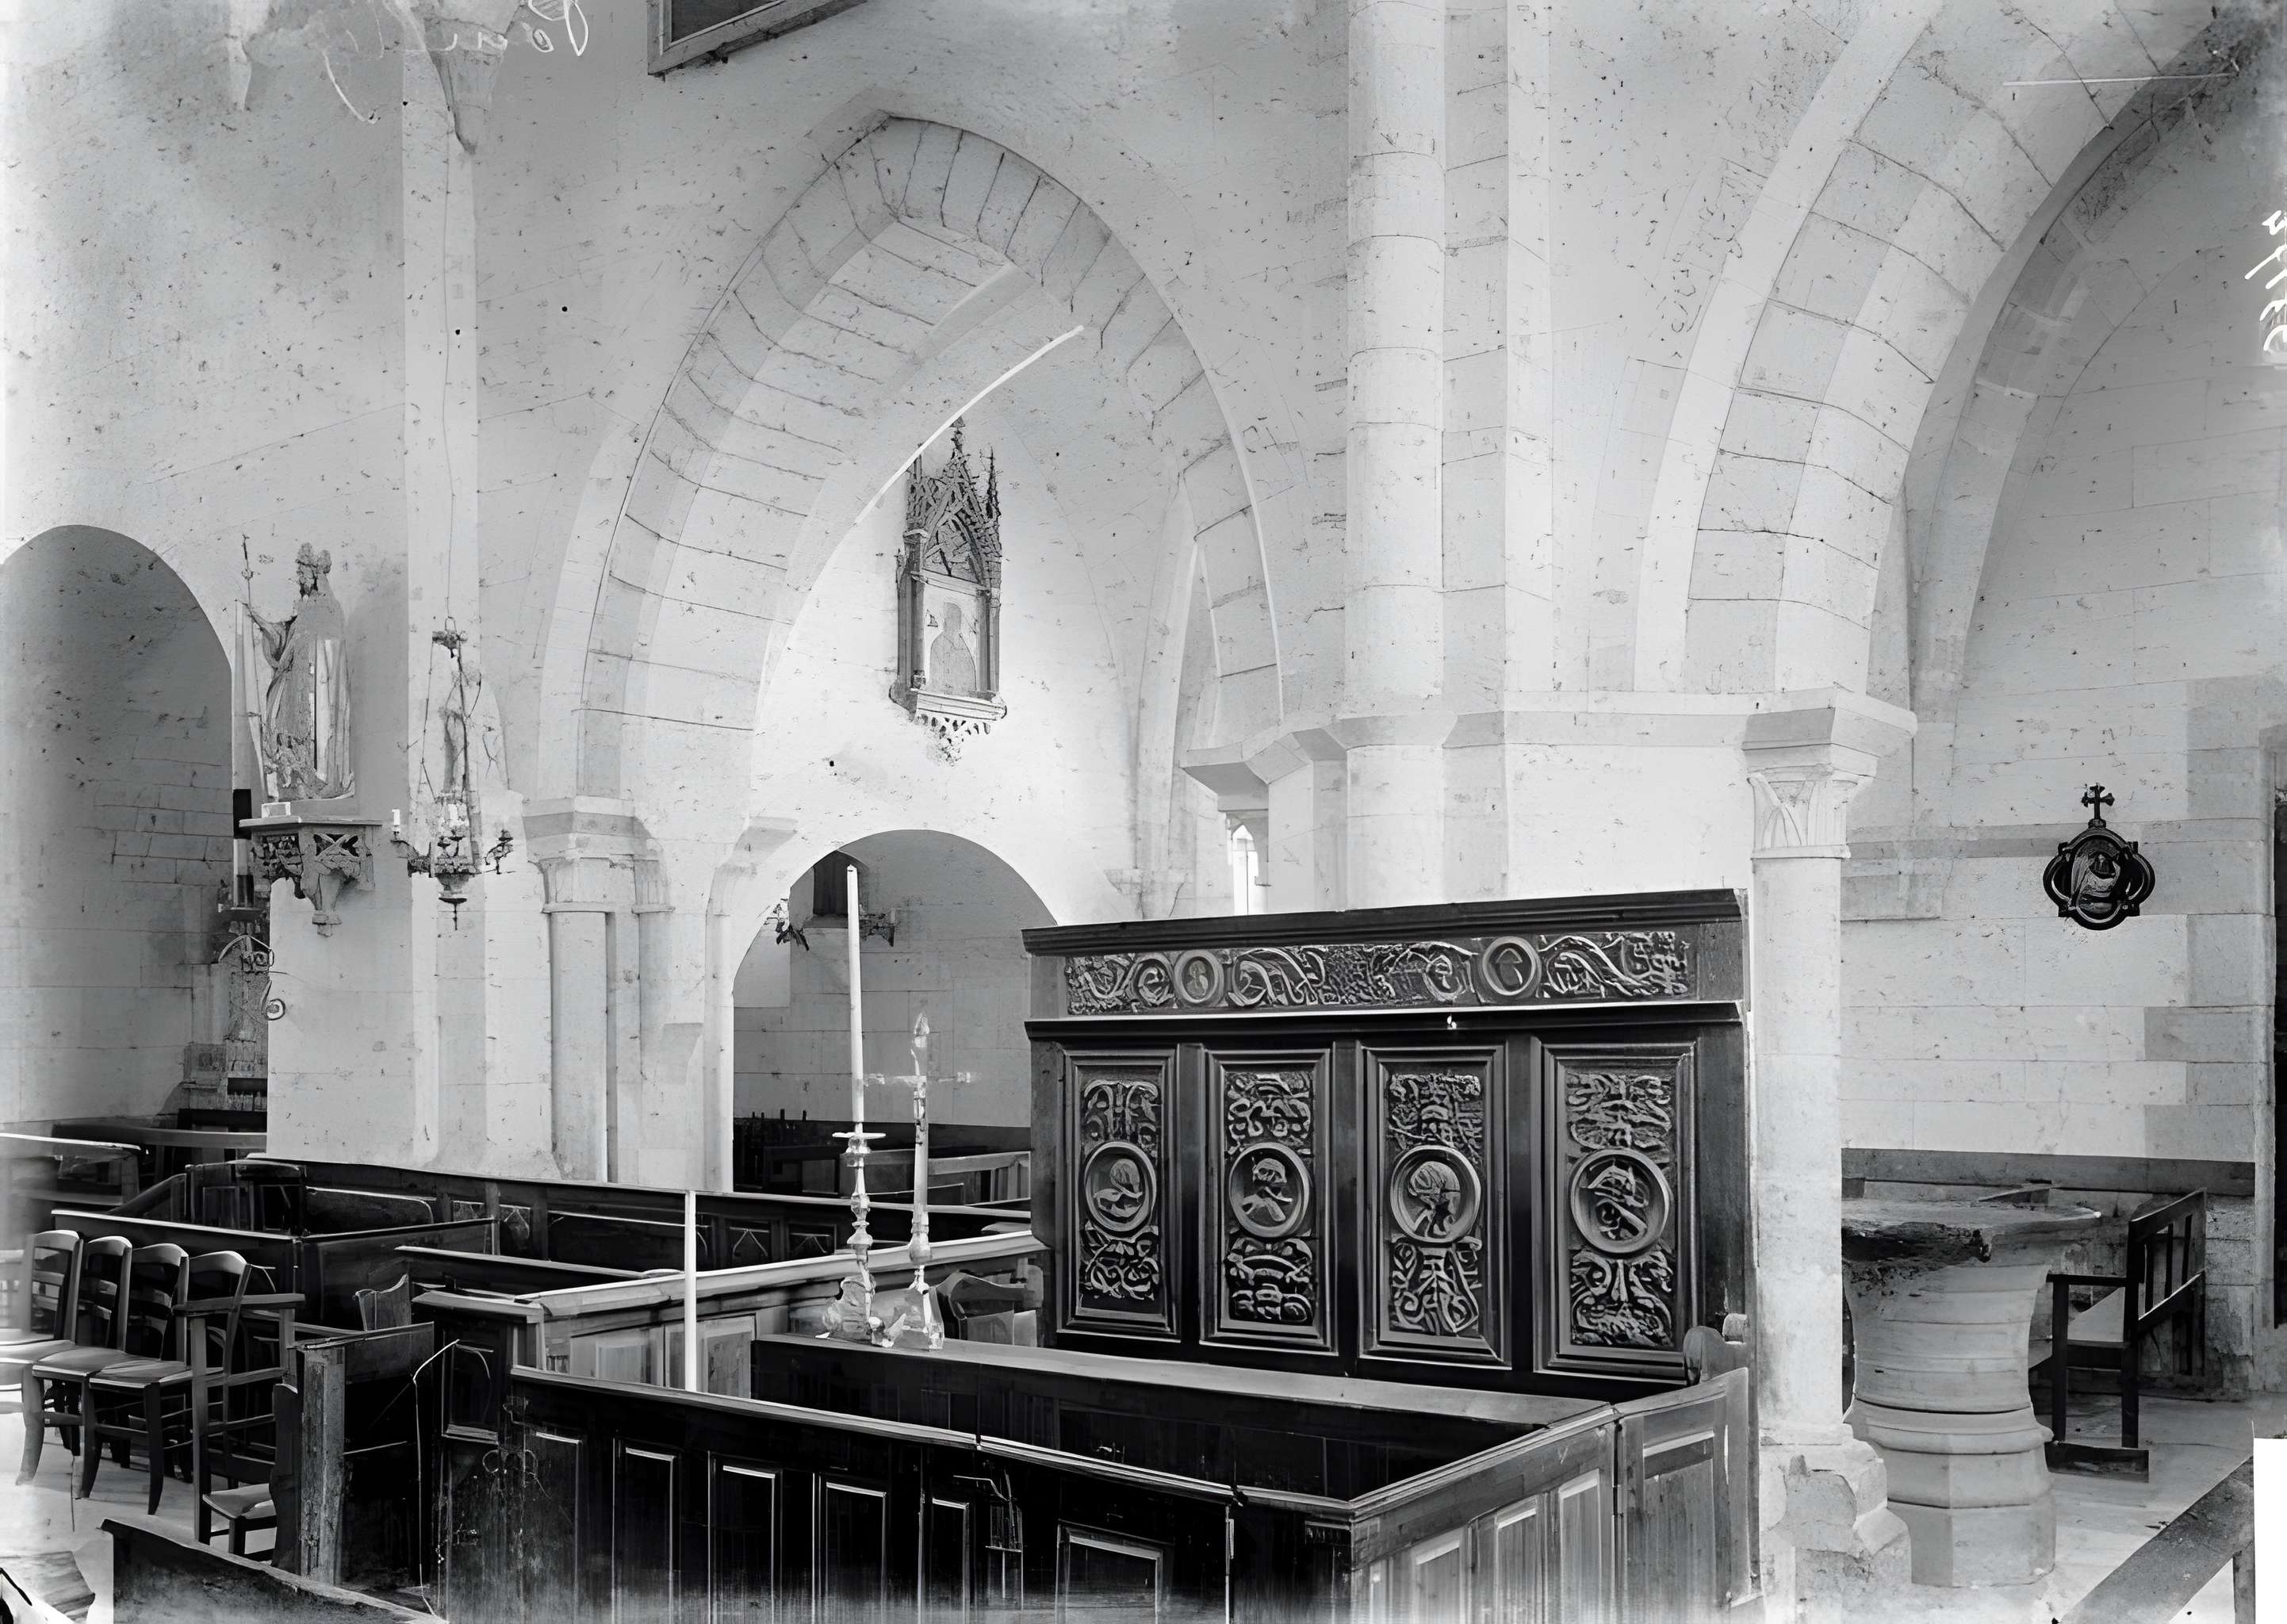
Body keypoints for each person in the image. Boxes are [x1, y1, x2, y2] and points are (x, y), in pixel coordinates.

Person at [247, 542, 354, 801]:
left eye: (303, 577)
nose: (300, 582)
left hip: (318, 688)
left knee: (315, 735)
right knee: (285, 727)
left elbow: (332, 651)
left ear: (316, 579)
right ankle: (295, 778)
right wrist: (261, 622)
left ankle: (317, 780)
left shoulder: (328, 610)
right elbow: (285, 637)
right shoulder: (303, 612)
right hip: (296, 683)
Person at [929, 599, 980, 695]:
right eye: (952, 619)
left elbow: (970, 676)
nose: (956, 623)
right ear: (946, 621)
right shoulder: (938, 644)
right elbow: (936, 679)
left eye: (958, 619)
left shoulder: (962, 645)